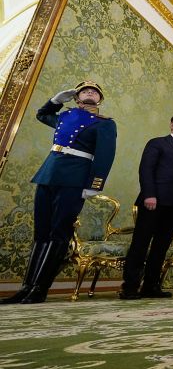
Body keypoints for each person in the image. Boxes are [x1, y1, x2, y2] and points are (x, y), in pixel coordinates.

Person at [1, 81, 116, 305]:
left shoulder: (105, 124)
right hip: (48, 175)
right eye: (85, 91)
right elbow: (42, 115)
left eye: (95, 92)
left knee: (59, 232)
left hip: (74, 180)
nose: (90, 92)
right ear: (76, 97)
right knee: (41, 232)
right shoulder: (65, 116)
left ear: (99, 100)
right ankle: (26, 288)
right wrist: (55, 100)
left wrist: (94, 185)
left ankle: (40, 289)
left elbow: (105, 155)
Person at [119, 114, 173, 300]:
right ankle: (130, 287)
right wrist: (149, 194)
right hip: (154, 202)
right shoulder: (157, 143)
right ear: (172, 125)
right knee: (141, 243)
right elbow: (146, 169)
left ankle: (151, 286)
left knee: (161, 247)